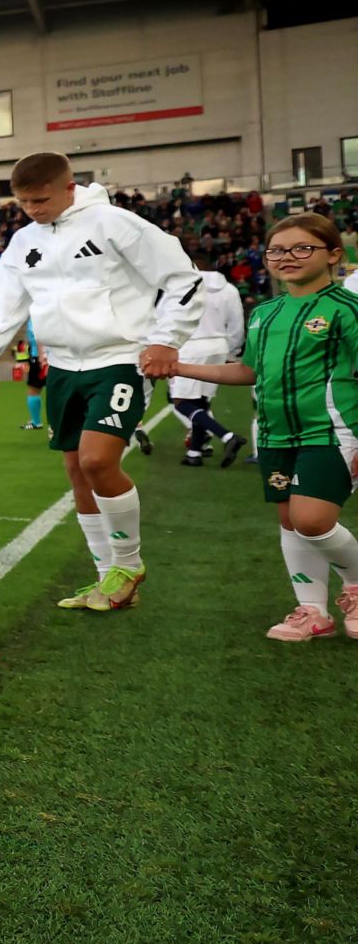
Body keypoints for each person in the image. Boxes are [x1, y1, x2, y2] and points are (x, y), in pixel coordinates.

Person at [0, 152, 203, 611]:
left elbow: (184, 279)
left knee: (97, 460)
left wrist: (166, 339)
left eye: (41, 200)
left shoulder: (115, 224)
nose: (33, 210)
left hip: (118, 360)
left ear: (69, 187)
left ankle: (129, 565)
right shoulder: (23, 241)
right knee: (77, 471)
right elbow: (3, 307)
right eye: (24, 202)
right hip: (62, 366)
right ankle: (106, 580)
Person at [155, 214, 358, 640]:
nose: (287, 257)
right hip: (274, 433)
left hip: (331, 432)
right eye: (277, 250)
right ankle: (312, 611)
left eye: (302, 248)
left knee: (312, 519)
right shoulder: (265, 312)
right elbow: (248, 371)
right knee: (290, 519)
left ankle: (356, 586)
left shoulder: (347, 309)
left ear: (333, 255)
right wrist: (180, 367)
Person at [162, 259, 247, 467]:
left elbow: (162, 317)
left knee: (181, 402)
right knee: (201, 402)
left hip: (190, 346)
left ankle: (227, 436)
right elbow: (237, 324)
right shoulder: (229, 290)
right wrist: (232, 350)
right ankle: (195, 452)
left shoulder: (181, 285)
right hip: (218, 346)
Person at [17, 322, 48, 430]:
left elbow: (38, 335)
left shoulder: (35, 316)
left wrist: (41, 356)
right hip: (52, 358)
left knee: (34, 390)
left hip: (38, 358)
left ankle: (36, 422)